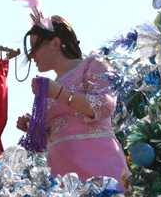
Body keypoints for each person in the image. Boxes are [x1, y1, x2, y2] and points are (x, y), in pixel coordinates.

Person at [16, 16, 129, 185]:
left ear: (55, 43)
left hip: (98, 166)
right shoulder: (52, 87)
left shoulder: (92, 64)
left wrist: (59, 93)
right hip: (62, 175)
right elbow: (55, 135)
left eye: (35, 47)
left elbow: (106, 105)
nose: (31, 55)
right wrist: (33, 126)